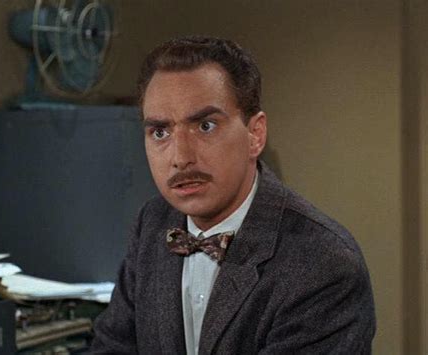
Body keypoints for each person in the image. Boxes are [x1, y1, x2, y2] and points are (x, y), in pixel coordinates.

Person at [90, 36, 376, 354]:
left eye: (206, 126)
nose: (180, 157)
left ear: (255, 135)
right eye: (161, 132)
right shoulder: (153, 222)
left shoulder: (324, 263)